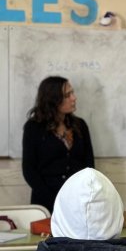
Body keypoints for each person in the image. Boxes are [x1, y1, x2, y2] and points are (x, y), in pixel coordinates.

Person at [22, 75, 95, 212]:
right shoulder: (34, 128)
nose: (74, 98)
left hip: (78, 201)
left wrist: (84, 195)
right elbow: (29, 171)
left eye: (72, 93)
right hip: (46, 203)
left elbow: (89, 166)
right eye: (68, 95)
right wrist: (56, 200)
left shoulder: (80, 125)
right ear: (53, 99)